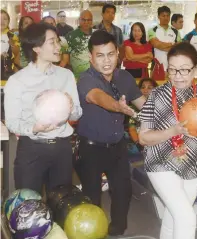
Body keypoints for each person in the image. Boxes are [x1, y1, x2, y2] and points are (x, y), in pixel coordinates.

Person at [138, 42, 197, 239]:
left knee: (172, 218)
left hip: (194, 165)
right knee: (186, 217)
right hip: (161, 164)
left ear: (195, 70)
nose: (178, 76)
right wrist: (173, 131)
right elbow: (143, 137)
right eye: (173, 70)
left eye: (184, 70)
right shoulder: (157, 96)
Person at [75, 30, 146, 236]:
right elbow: (98, 98)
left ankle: (116, 230)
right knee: (92, 198)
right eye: (100, 55)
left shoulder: (124, 77)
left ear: (118, 53)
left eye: (111, 54)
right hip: (90, 148)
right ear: (91, 57)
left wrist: (166, 113)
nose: (106, 61)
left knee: (123, 192)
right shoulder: (85, 80)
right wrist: (118, 106)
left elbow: (143, 104)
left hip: (117, 146)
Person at [4, 23, 82, 194]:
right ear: (37, 48)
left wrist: (70, 108)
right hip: (32, 149)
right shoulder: (17, 81)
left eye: (58, 42)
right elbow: (12, 123)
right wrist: (33, 128)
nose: (58, 47)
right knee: (30, 206)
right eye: (52, 42)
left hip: (62, 149)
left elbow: (77, 114)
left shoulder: (66, 75)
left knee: (61, 204)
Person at [60, 10, 93, 79]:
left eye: (89, 20)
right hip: (78, 76)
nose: (86, 22)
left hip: (97, 75)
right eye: (83, 20)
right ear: (79, 20)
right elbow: (65, 60)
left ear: (92, 21)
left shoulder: (97, 35)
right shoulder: (70, 36)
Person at [148, 6, 181, 72]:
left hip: (173, 67)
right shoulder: (152, 30)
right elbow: (156, 44)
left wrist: (161, 45)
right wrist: (172, 44)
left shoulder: (175, 31)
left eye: (167, 16)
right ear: (158, 16)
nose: (166, 18)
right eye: (163, 16)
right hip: (156, 66)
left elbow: (178, 48)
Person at [128, 78, 158, 146]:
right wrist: (138, 143)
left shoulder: (160, 107)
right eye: (142, 87)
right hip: (139, 142)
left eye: (149, 87)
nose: (145, 90)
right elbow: (132, 128)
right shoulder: (134, 109)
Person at [1, 9, 20, 80]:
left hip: (7, 68)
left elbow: (17, 53)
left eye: (5, 19)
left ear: (8, 21)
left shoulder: (12, 36)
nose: (2, 21)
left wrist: (12, 45)